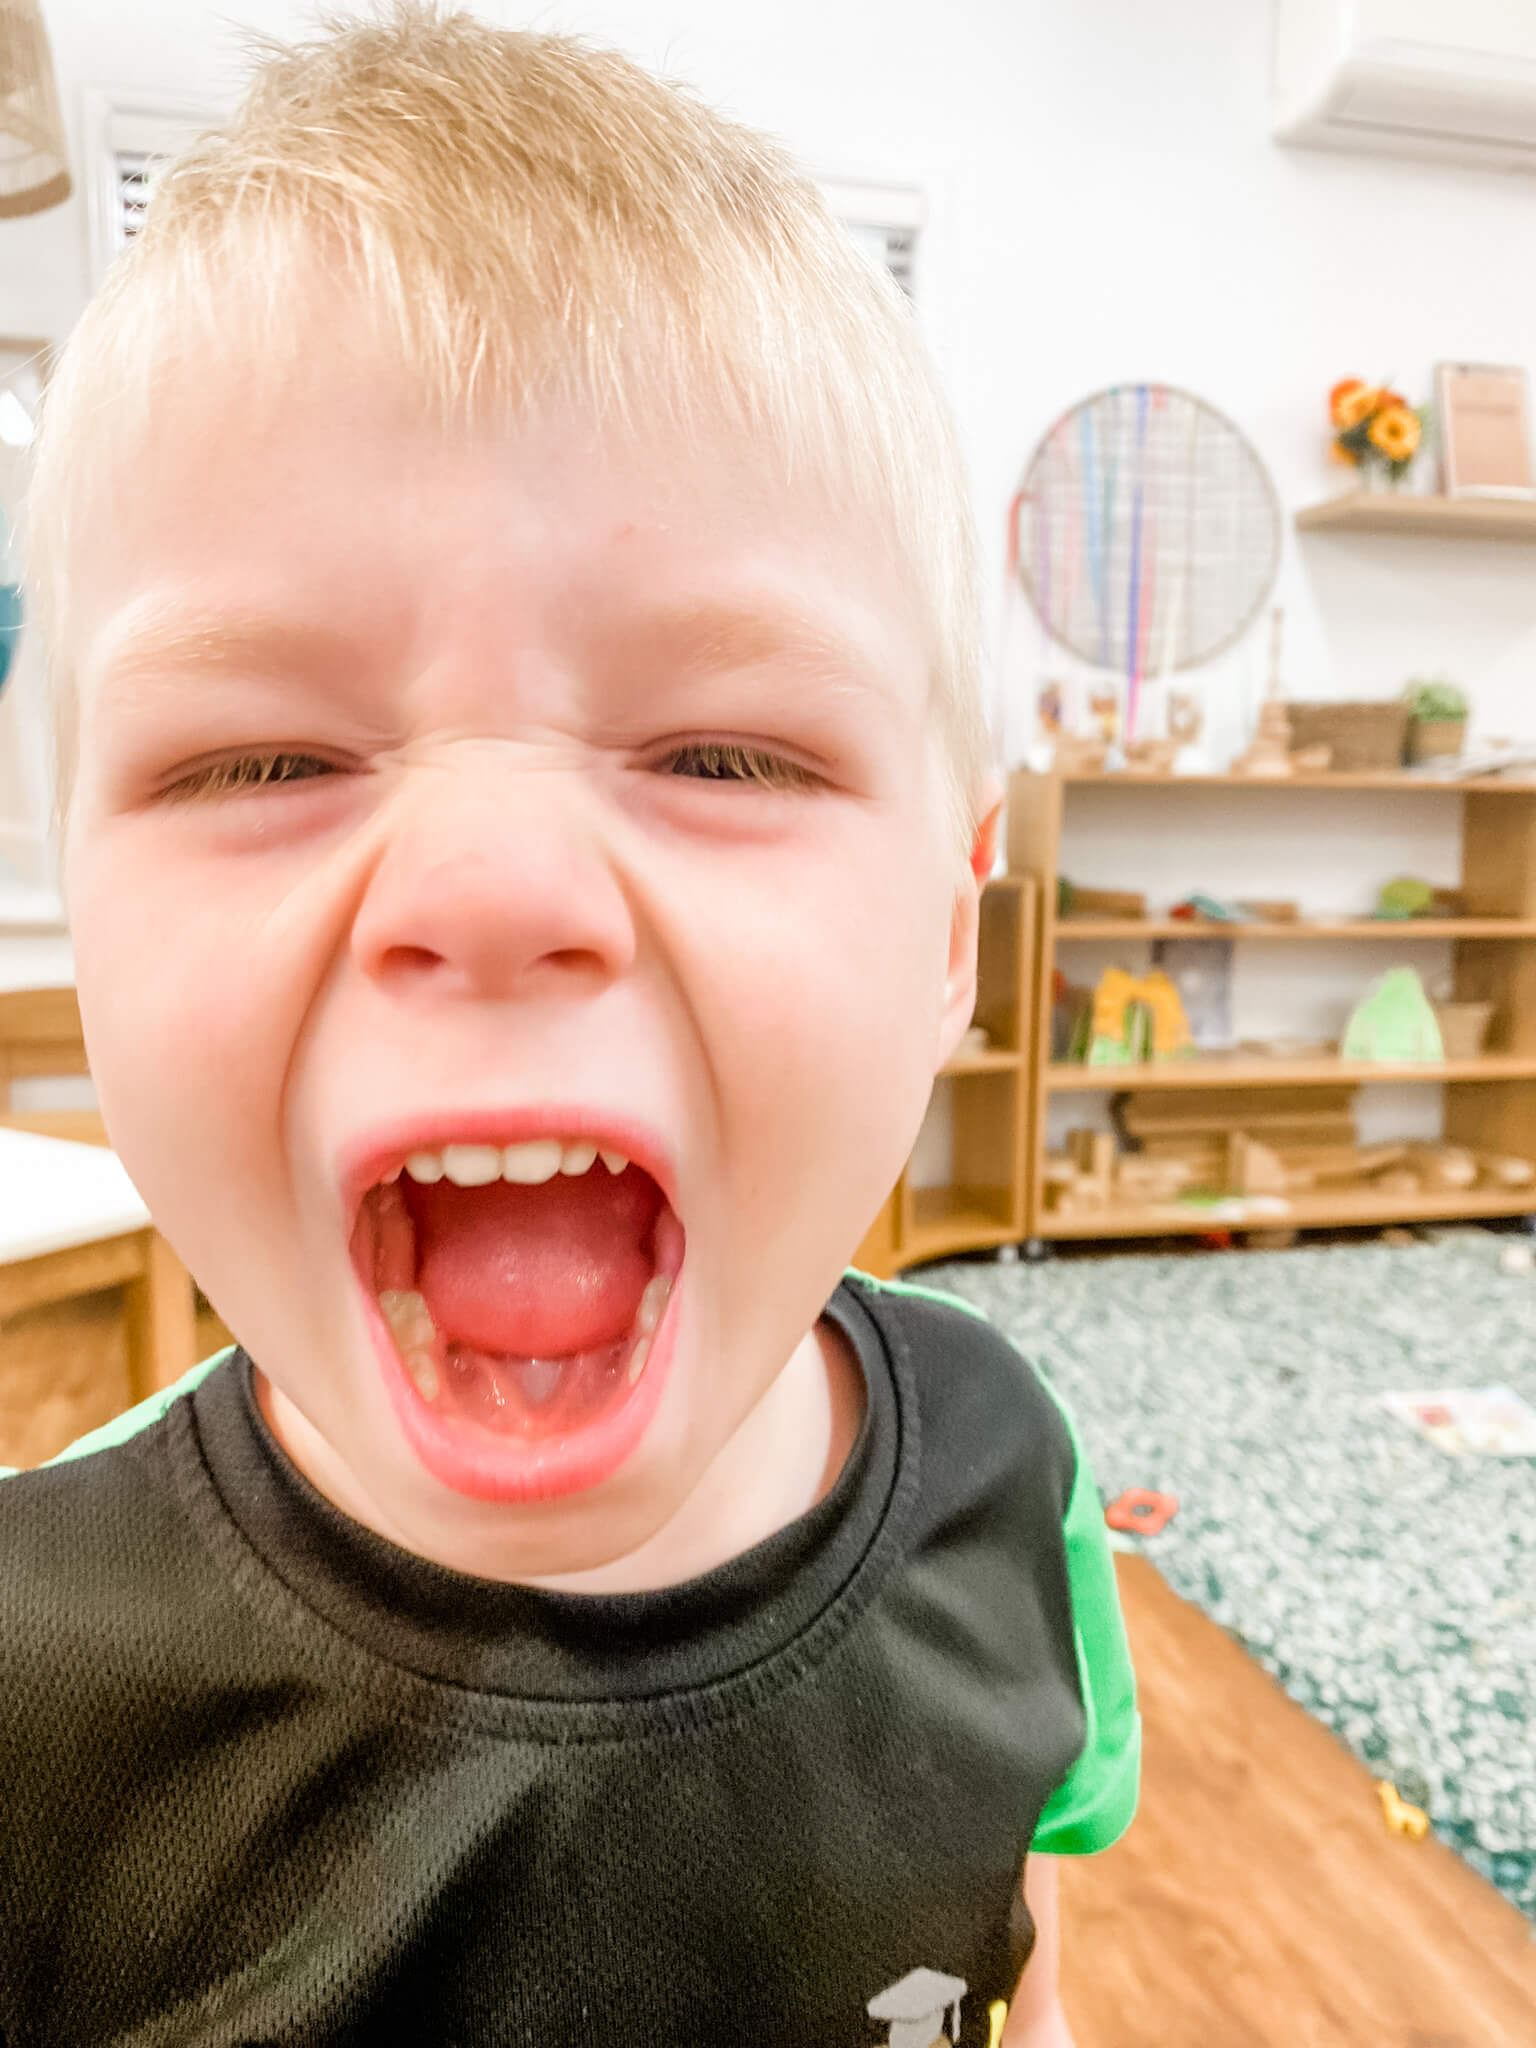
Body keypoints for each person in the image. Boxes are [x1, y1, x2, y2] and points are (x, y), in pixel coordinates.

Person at [2, 7, 1137, 2042]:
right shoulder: (28, 1676)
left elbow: (1014, 1948)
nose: (495, 886)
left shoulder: (1006, 1470)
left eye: (723, 751)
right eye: (261, 762)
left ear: (954, 936)